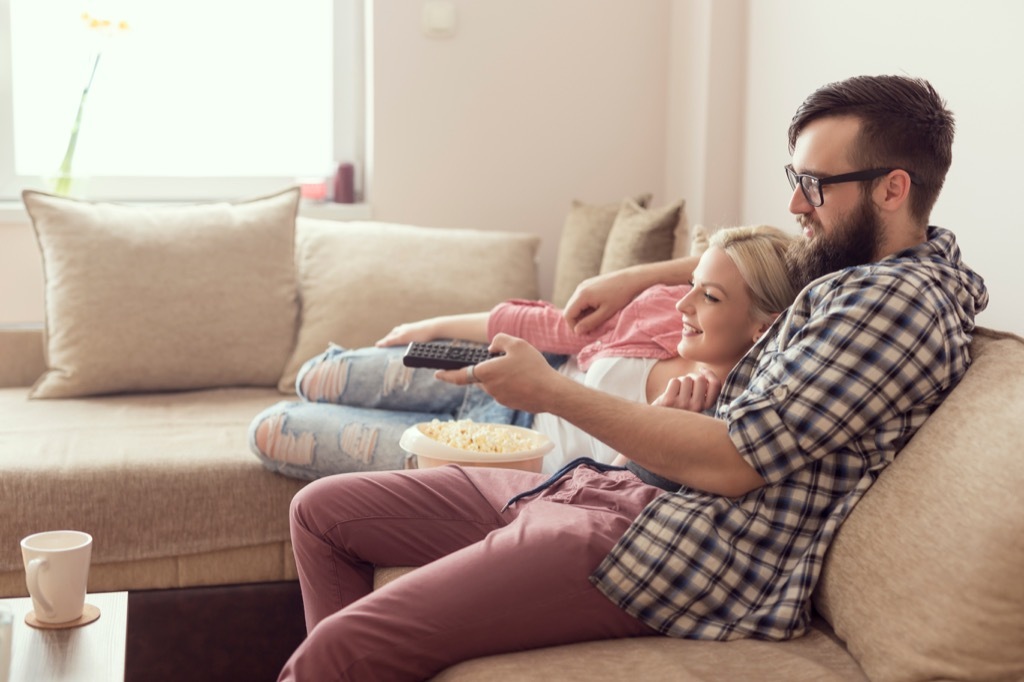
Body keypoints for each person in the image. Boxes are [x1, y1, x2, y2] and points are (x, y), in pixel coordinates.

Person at [277, 75, 988, 681]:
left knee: (338, 651)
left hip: (678, 552)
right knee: (323, 514)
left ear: (893, 188)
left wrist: (551, 392)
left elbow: (735, 462)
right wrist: (633, 278)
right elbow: (754, 252)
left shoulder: (894, 304)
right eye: (793, 180)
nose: (798, 205)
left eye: (814, 185)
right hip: (624, 493)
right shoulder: (854, 270)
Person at [250, 225, 797, 478]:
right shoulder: (662, 310)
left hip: (504, 458)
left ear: (762, 327)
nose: (683, 303)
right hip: (503, 375)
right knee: (319, 373)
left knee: (274, 429)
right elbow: (555, 327)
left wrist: (656, 431)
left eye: (709, 297)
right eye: (691, 286)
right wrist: (432, 325)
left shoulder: (721, 415)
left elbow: (603, 499)